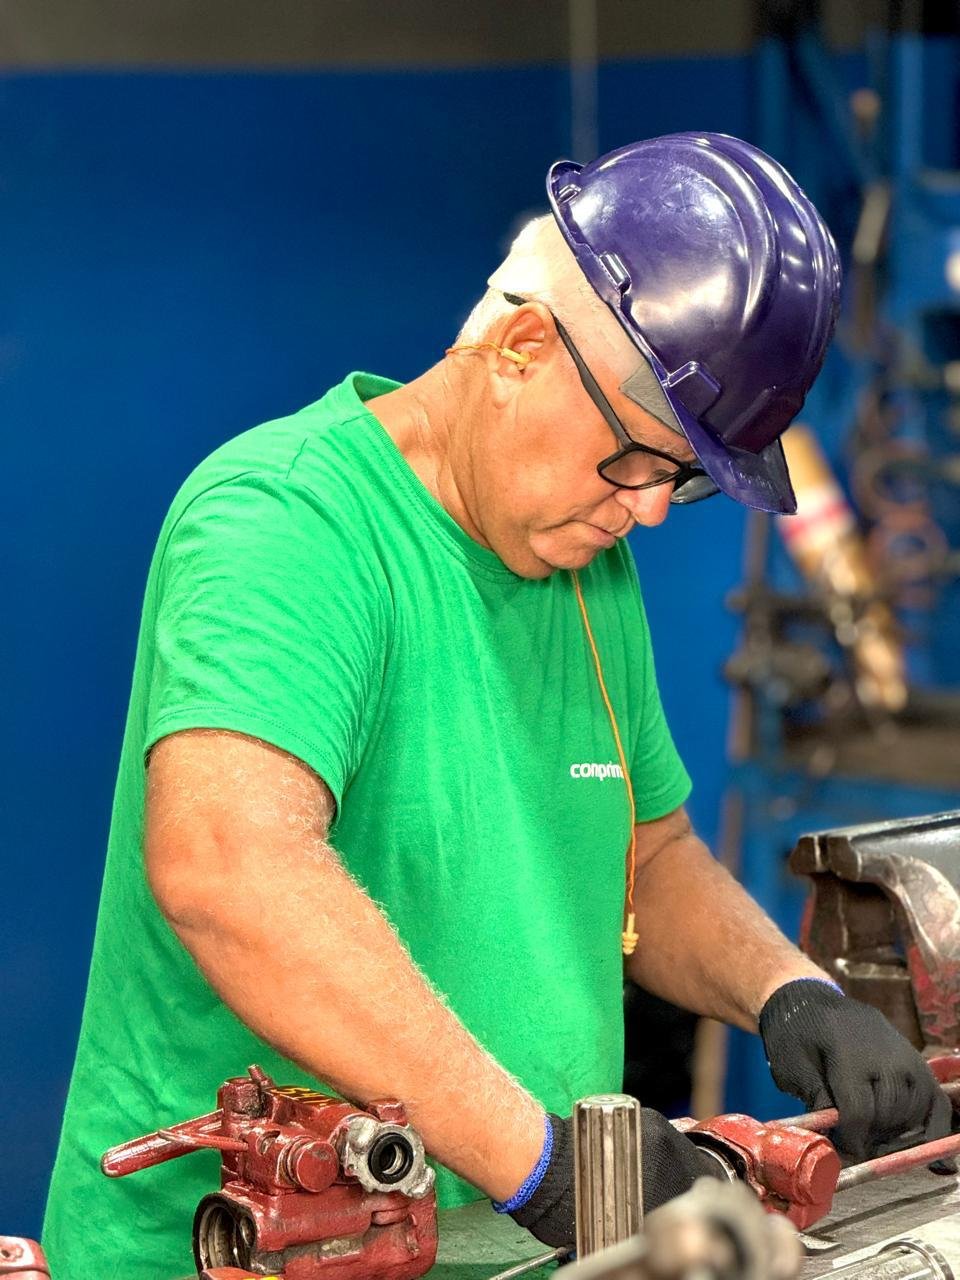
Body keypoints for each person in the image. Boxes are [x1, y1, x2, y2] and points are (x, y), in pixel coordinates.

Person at [43, 133, 951, 1279]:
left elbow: (645, 855)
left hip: (513, 1255)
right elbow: (234, 872)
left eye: (681, 480)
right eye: (640, 457)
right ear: (523, 346)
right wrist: (546, 1163)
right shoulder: (287, 521)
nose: (649, 511)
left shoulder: (584, 565)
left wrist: (792, 993)